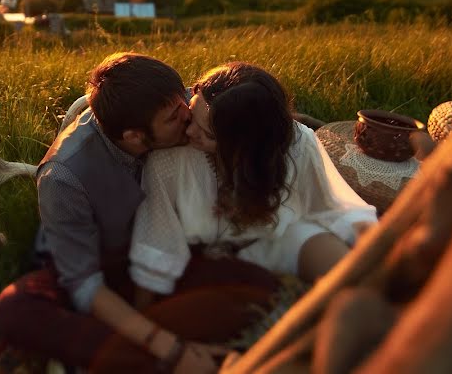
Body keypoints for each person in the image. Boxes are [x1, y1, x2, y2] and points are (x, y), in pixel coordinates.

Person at [0, 53, 279, 373]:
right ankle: (171, 359)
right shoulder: (64, 176)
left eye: (184, 101)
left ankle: (114, 352)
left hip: (166, 259)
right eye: (173, 117)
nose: (187, 115)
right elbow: (84, 283)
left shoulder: (176, 107)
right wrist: (169, 348)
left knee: (257, 285)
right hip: (101, 267)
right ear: (134, 137)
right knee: (15, 308)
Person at [129, 62, 378, 300]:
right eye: (192, 112)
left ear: (246, 145)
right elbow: (156, 244)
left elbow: (332, 207)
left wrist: (380, 252)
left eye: (208, 135)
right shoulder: (168, 162)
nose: (190, 131)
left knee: (349, 278)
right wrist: (143, 321)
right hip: (208, 260)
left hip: (276, 240)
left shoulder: (296, 142)